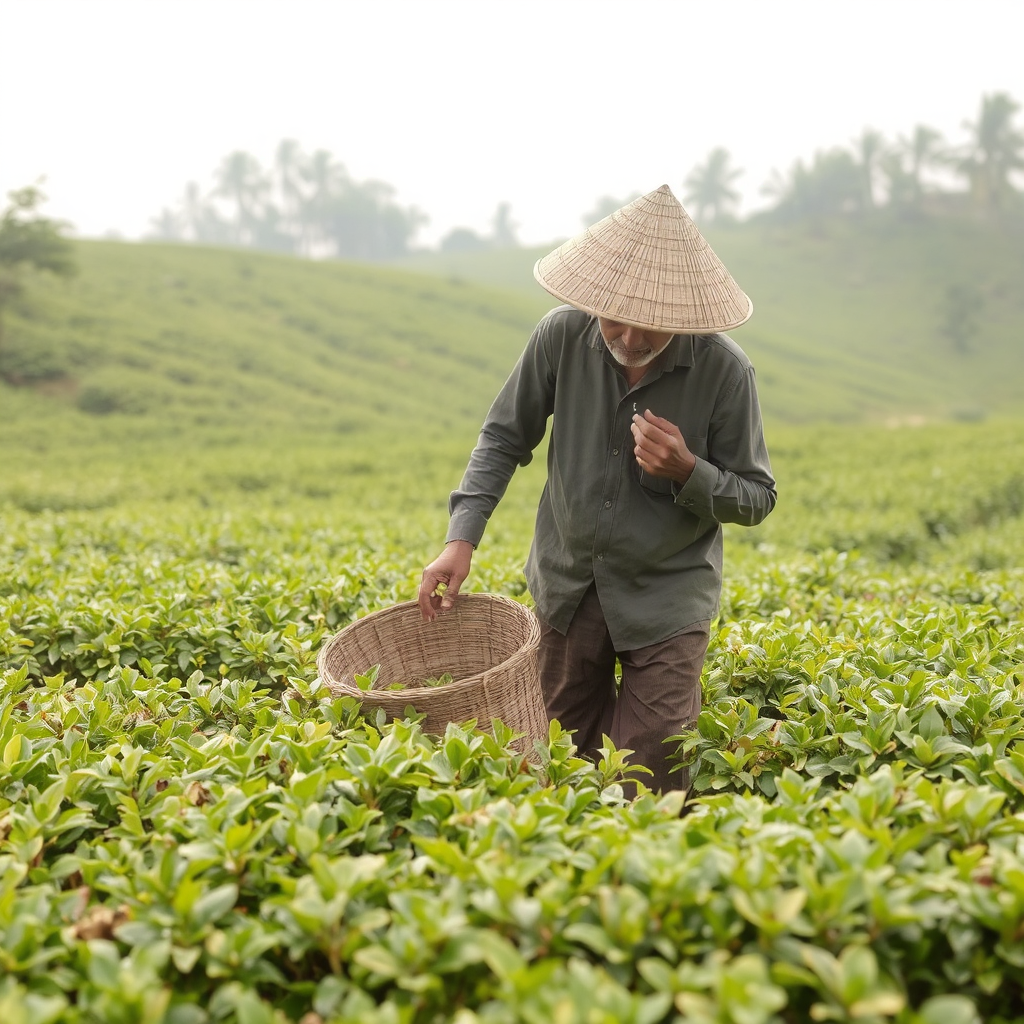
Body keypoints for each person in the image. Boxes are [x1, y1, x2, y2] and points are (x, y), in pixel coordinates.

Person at [417, 185, 776, 795]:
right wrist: (461, 539)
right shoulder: (560, 337)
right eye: (615, 318)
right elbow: (504, 438)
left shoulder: (723, 371)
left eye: (650, 326)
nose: (631, 338)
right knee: (559, 761)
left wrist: (688, 471)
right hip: (568, 590)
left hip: (665, 601)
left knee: (651, 775)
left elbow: (757, 496)